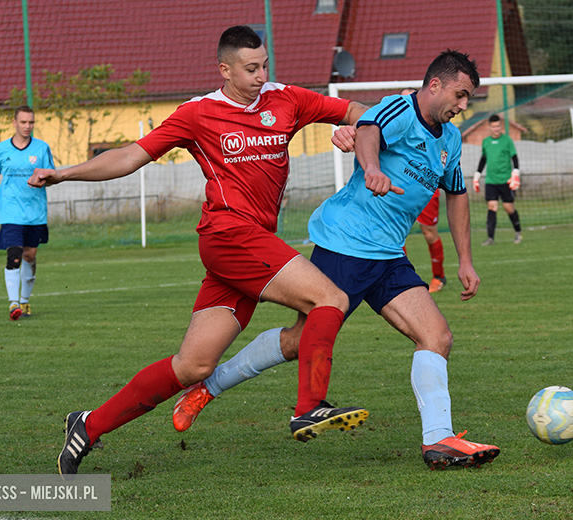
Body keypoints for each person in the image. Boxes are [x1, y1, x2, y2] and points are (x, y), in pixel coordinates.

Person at [28, 25, 370, 477]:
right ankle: (310, 406)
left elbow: (357, 110)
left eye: (265, 65)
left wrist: (356, 131)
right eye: (250, 68)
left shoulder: (286, 98)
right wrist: (67, 173)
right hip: (229, 236)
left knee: (193, 366)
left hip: (249, 248)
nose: (260, 75)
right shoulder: (199, 113)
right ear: (224, 70)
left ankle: (88, 425)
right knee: (331, 299)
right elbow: (132, 156)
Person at [174, 50, 501, 470]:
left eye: (468, 98)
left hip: (388, 255)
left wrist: (466, 261)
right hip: (345, 243)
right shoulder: (401, 108)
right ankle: (207, 388)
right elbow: (366, 128)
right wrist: (370, 168)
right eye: (459, 94)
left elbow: (456, 196)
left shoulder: (451, 140)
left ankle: (438, 441)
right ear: (434, 85)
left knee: (436, 336)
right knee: (297, 341)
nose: (462, 105)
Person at [0, 105, 54, 321]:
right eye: (23, 122)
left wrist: (42, 180)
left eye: (31, 122)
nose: (27, 126)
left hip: (35, 213)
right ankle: (14, 304)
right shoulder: (1, 149)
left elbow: (51, 177)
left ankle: (24, 299)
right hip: (10, 212)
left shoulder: (42, 148)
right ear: (14, 123)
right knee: (14, 255)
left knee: (29, 255)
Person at [399, 88, 447, 294]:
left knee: (429, 233)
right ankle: (401, 279)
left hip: (426, 190)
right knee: (396, 235)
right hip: (400, 190)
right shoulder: (395, 127)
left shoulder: (436, 129)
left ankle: (439, 275)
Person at [473, 114, 522, 246]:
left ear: (501, 126)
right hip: (491, 180)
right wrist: (477, 175)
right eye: (493, 126)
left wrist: (515, 173)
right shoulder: (486, 142)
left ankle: (518, 231)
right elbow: (483, 159)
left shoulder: (507, 140)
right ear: (490, 127)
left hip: (505, 180)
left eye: (498, 126)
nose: (496, 128)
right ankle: (490, 238)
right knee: (492, 206)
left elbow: (514, 157)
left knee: (508, 208)